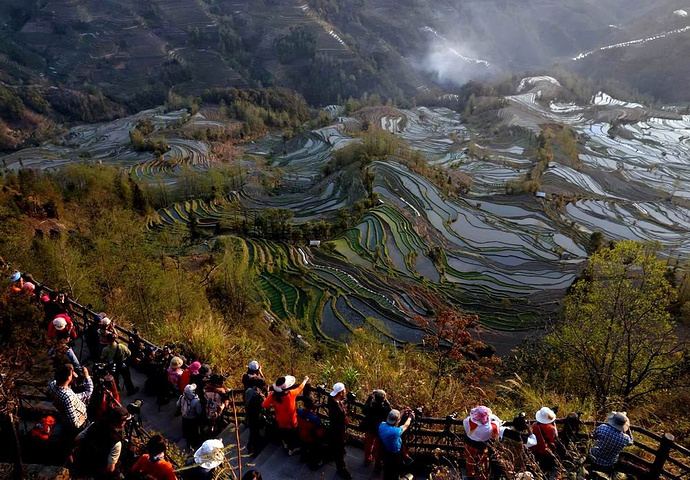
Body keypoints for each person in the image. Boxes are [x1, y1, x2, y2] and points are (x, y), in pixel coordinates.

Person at [71, 406, 129, 479]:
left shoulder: (95, 424)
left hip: (84, 461)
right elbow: (110, 468)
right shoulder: (116, 442)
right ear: (122, 423)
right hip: (97, 469)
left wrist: (82, 452)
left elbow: (77, 439)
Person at [262, 375, 308, 455]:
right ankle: (292, 449)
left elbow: (264, 405)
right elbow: (300, 388)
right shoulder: (291, 394)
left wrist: (272, 405)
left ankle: (286, 444)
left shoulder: (273, 396)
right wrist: (305, 380)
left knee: (284, 433)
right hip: (291, 421)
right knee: (293, 435)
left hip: (280, 420)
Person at [46, 364, 93, 433]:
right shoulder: (68, 397)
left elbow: (49, 392)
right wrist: (87, 376)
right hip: (80, 425)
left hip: (64, 418)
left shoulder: (52, 384)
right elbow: (75, 424)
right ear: (68, 378)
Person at [463, 405, 502, 480]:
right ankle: (484, 475)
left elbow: (466, 426)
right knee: (484, 460)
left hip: (470, 442)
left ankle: (470, 474)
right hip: (483, 444)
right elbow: (495, 433)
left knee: (470, 459)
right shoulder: (490, 427)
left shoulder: (468, 421)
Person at [379, 409, 414, 480]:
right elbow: (405, 425)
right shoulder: (396, 432)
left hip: (386, 452)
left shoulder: (381, 425)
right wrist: (410, 417)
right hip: (395, 455)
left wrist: (401, 413)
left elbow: (394, 422)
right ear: (397, 421)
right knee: (395, 472)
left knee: (387, 470)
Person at [327, 382, 352, 480]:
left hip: (333, 428)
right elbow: (347, 422)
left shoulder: (331, 400)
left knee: (337, 447)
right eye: (344, 390)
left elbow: (340, 401)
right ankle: (341, 468)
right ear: (341, 393)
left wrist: (345, 401)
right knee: (339, 450)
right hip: (339, 431)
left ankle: (338, 459)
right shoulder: (339, 409)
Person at [361, 389, 391, 470]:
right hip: (380, 431)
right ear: (383, 399)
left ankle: (368, 458)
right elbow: (389, 408)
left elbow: (364, 409)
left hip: (370, 428)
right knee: (379, 448)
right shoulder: (385, 409)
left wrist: (370, 397)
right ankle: (378, 463)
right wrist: (385, 399)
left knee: (368, 444)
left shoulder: (371, 407)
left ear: (375, 398)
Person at [296, 395, 325, 468]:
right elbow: (319, 431)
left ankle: (303, 457)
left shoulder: (299, 411)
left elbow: (305, 413)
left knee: (304, 447)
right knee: (316, 446)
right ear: (312, 405)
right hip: (311, 439)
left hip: (302, 434)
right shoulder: (314, 418)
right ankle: (314, 463)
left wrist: (312, 407)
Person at [531, 407, 559, 478]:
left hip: (538, 451)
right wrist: (554, 424)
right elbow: (556, 435)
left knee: (540, 471)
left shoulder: (535, 426)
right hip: (548, 452)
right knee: (550, 471)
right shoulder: (552, 428)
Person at [244, 379, 267, 455]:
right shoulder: (259, 395)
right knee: (255, 433)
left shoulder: (248, 390)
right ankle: (254, 449)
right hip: (256, 416)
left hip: (249, 414)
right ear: (262, 386)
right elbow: (264, 404)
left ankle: (250, 448)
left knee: (252, 432)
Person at [178, 383, 203, 449]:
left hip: (184, 417)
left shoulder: (182, 397)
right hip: (192, 419)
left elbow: (178, 404)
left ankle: (187, 440)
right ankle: (194, 443)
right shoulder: (195, 401)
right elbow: (199, 411)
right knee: (194, 431)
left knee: (186, 430)